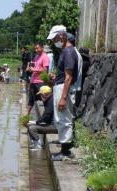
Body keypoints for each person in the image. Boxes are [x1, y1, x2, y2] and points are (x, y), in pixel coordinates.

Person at [47, 25, 82, 161]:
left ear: (62, 35)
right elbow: (64, 75)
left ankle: (65, 152)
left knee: (64, 119)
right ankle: (64, 147)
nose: (54, 41)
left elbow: (69, 77)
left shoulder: (68, 52)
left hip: (64, 89)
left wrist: (63, 98)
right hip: (61, 86)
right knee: (61, 119)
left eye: (55, 38)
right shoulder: (67, 51)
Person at [27, 42, 49, 115]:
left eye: (37, 48)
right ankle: (26, 116)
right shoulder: (36, 57)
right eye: (35, 49)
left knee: (44, 99)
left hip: (40, 81)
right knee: (31, 99)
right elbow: (35, 67)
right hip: (33, 81)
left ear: (42, 48)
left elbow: (45, 70)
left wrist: (34, 70)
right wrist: (31, 69)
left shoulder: (45, 57)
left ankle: (47, 117)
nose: (36, 50)